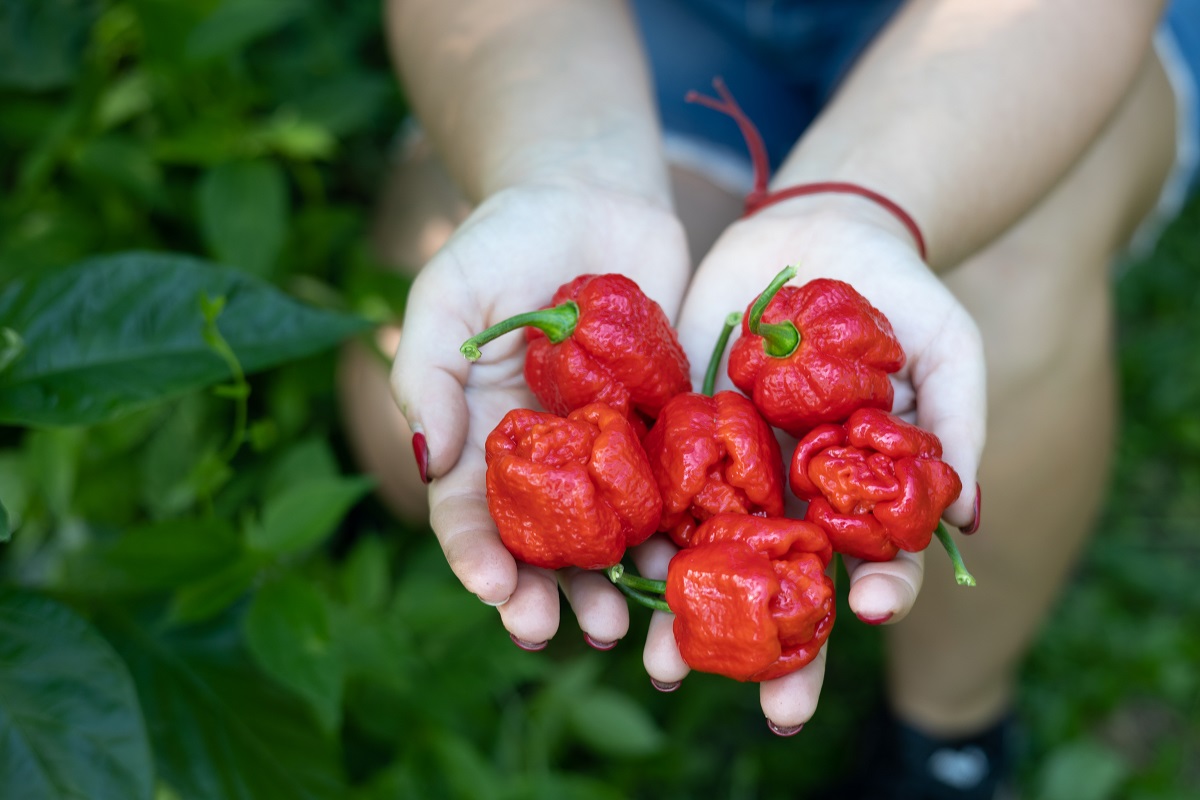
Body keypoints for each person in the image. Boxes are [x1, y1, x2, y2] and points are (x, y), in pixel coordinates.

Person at [337, 1, 1199, 797]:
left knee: (1011, 293)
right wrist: (566, 170)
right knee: (400, 414)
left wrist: (862, 208)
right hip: (648, 28)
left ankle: (950, 730)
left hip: (1015, 37)